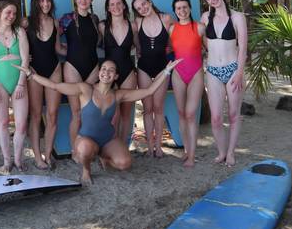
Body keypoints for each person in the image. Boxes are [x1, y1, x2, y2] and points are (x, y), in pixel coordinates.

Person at [13, 58, 181, 185]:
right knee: (85, 149)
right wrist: (30, 74)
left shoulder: (118, 95)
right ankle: (86, 170)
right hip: (86, 138)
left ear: (115, 76)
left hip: (108, 139)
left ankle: (104, 156)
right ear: (99, 72)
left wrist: (166, 71)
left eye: (111, 70)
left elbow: (149, 90)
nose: (106, 72)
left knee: (124, 163)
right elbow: (54, 86)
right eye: (104, 69)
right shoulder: (85, 89)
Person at [201, 0, 248, 167]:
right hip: (213, 71)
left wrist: (239, 73)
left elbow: (243, 48)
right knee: (216, 118)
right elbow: (201, 40)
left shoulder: (237, 17)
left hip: (233, 70)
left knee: (234, 114)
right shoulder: (205, 18)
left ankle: (230, 153)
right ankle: (221, 152)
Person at [0, 0, 30, 173]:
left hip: (19, 81)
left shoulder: (20, 32)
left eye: (14, 13)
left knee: (21, 124)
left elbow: (25, 59)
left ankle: (18, 159)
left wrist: (20, 84)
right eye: (8, 12)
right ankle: (6, 161)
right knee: (2, 122)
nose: (11, 16)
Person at [25, 0, 66, 169]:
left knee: (52, 114)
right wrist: (23, 59)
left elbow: (58, 49)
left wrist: (80, 51)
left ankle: (48, 154)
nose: (45, 4)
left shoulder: (55, 22)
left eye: (48, 0)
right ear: (35, 2)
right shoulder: (26, 23)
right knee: (35, 115)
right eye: (41, 1)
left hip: (54, 70)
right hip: (34, 73)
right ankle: (37, 156)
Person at [132, 0, 174, 157]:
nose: (142, 8)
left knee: (158, 107)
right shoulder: (138, 23)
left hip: (162, 68)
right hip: (143, 69)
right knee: (147, 109)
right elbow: (136, 44)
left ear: (150, 2)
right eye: (138, 8)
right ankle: (150, 146)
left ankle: (158, 146)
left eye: (143, 4)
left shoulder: (166, 19)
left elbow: (177, 37)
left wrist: (170, 48)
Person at [60, 0, 100, 149]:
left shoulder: (95, 19)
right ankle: (74, 149)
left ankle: (90, 148)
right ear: (75, 0)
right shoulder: (66, 19)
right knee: (76, 113)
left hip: (93, 68)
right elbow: (49, 36)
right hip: (72, 68)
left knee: (90, 113)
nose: (83, 0)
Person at [169, 0, 206, 167]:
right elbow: (169, 49)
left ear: (190, 8)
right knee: (182, 113)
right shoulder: (171, 29)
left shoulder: (199, 27)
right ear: (175, 11)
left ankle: (192, 155)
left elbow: (208, 48)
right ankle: (186, 150)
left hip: (196, 72)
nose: (182, 11)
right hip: (178, 73)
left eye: (184, 7)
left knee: (191, 113)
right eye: (178, 8)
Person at [99, 0, 137, 144]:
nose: (116, 7)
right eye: (112, 4)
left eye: (119, 3)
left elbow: (138, 46)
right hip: (109, 75)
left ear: (124, 5)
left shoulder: (133, 25)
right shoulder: (102, 26)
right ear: (108, 8)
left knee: (126, 114)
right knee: (112, 115)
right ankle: (109, 146)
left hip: (128, 71)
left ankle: (123, 146)